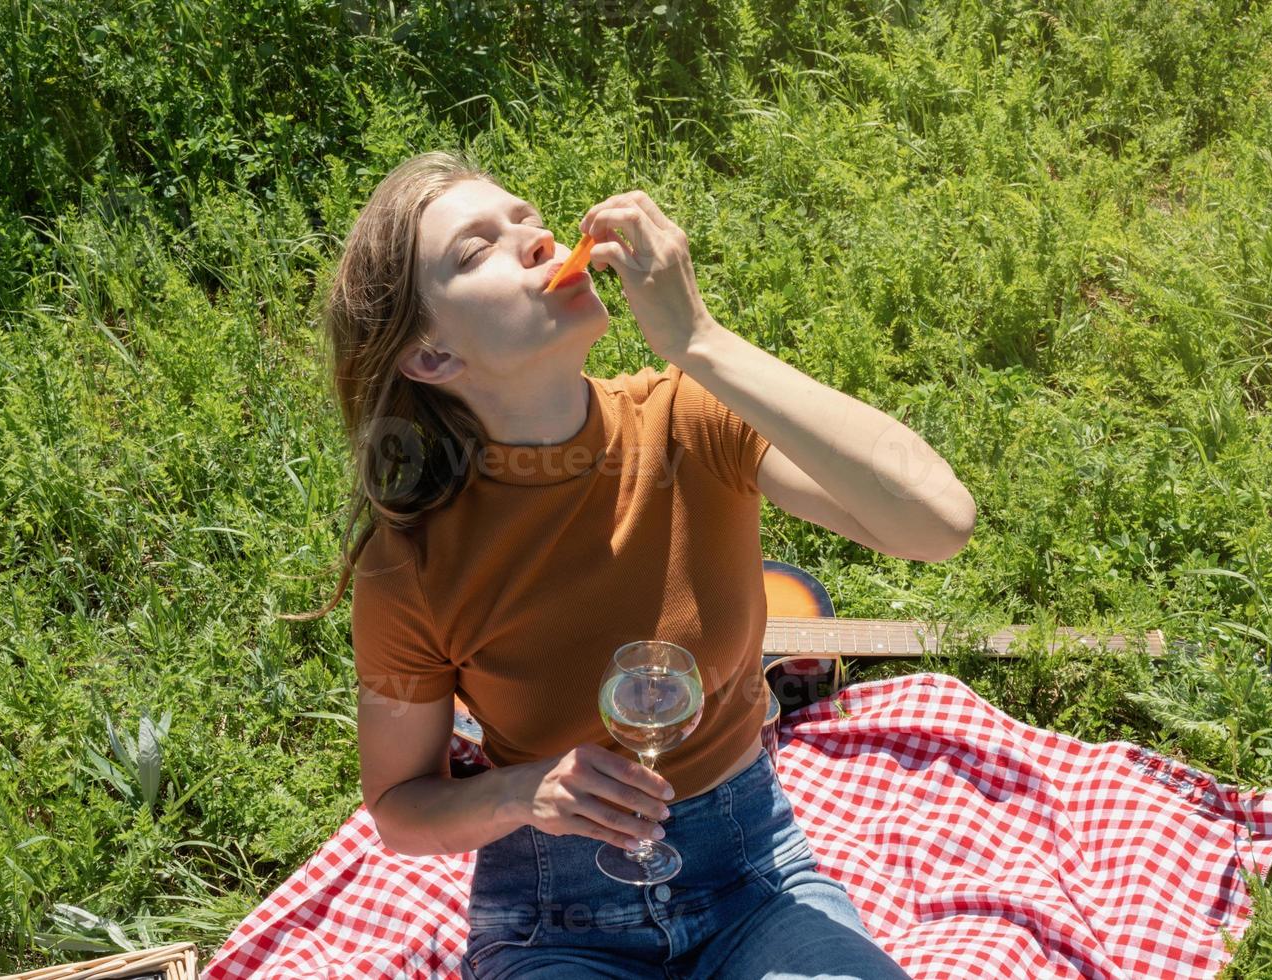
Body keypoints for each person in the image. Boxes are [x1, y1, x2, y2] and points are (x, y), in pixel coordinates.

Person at [284, 148, 974, 978]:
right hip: (553, 914)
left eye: (524, 219)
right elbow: (399, 810)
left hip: (751, 875)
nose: (535, 239)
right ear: (432, 359)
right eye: (477, 250)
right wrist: (524, 791)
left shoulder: (690, 420)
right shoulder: (412, 565)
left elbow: (937, 523)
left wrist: (700, 341)